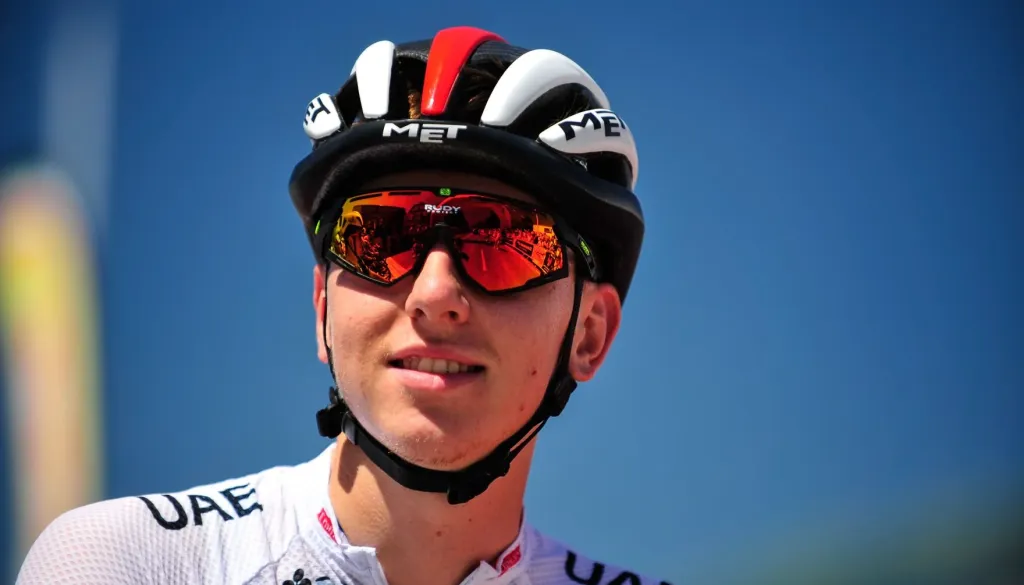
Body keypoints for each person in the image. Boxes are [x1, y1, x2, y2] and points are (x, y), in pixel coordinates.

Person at [17, 26, 667, 585]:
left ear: (590, 333)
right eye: (380, 237)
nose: (435, 294)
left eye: (502, 242)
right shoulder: (122, 564)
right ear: (322, 305)